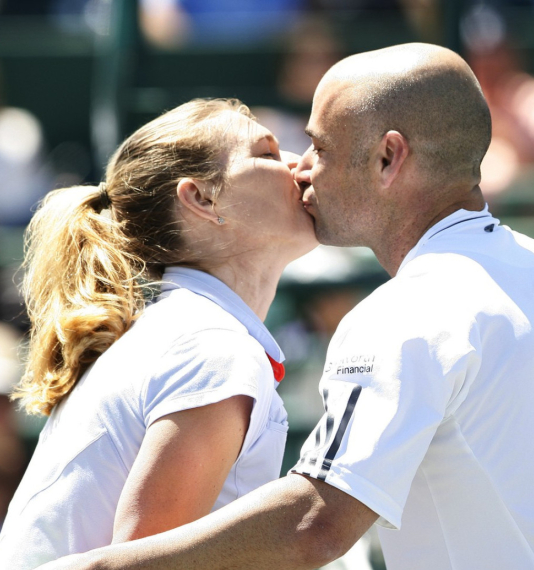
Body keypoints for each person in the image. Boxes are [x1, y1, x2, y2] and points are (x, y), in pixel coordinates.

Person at [40, 42, 534, 570]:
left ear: (388, 158)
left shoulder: (406, 313)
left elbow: (316, 524)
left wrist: (94, 568)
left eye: (320, 147)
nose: (303, 167)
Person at [0, 97, 318, 569]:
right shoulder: (211, 349)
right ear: (202, 198)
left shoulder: (194, 335)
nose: (302, 162)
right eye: (268, 154)